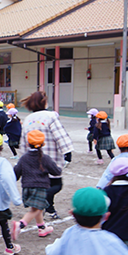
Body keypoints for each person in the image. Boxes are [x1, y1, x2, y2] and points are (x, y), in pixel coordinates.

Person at [20, 91, 73, 220]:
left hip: (34, 158)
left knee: (44, 183)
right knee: (56, 185)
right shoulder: (50, 116)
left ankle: (49, 209)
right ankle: (41, 201)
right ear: (44, 102)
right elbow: (60, 135)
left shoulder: (28, 119)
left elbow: (23, 140)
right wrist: (67, 152)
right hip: (51, 157)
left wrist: (24, 157)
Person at [13, 130, 62, 239]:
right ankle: (20, 224)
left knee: (38, 207)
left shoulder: (24, 158)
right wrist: (58, 166)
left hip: (27, 187)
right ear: (43, 144)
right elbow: (56, 172)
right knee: (36, 209)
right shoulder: (45, 158)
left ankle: (42, 228)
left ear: (27, 144)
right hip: (40, 187)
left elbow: (16, 173)